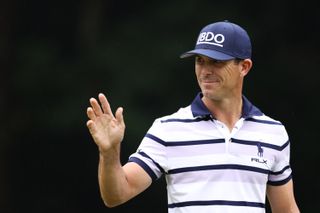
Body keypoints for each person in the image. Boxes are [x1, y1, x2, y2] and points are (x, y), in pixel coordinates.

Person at [86, 20, 300, 213]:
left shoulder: (272, 133)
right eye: (200, 61)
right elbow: (116, 195)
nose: (205, 70)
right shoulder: (167, 129)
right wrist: (109, 153)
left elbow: (286, 209)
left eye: (217, 62)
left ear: (244, 67)